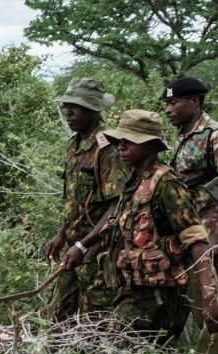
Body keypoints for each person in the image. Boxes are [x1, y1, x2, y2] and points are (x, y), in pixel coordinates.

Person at [64, 110, 218, 341]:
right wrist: (82, 247)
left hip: (160, 296)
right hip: (133, 290)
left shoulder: (166, 184)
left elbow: (196, 239)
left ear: (150, 146)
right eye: (120, 141)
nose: (121, 147)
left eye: (129, 142)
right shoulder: (133, 182)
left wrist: (209, 293)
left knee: (124, 350)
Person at [164, 76, 218, 350]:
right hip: (190, 234)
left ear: (194, 101)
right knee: (194, 302)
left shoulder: (216, 135)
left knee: (214, 305)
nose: (168, 110)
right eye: (167, 104)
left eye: (174, 103)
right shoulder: (184, 136)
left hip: (210, 236)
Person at [44, 77, 129, 319]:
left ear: (94, 110)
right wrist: (62, 233)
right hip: (73, 247)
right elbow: (75, 200)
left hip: (97, 251)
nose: (68, 113)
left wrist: (84, 245)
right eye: (66, 106)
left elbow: (117, 205)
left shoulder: (108, 148)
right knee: (57, 317)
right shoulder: (74, 144)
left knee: (95, 321)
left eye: (76, 107)